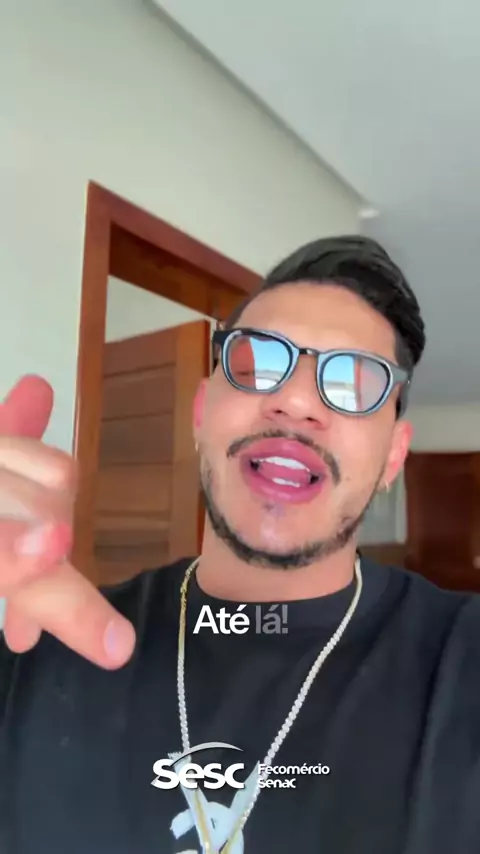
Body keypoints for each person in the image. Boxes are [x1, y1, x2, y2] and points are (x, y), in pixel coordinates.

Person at [0, 235, 479, 854]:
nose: (296, 401)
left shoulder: (461, 664)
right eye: (257, 363)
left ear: (393, 456)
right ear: (201, 413)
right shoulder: (39, 657)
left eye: (354, 382)